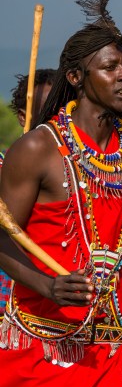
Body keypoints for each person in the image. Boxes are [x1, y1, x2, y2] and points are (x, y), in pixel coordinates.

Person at [0, 0, 122, 387]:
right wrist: (46, 285)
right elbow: (2, 236)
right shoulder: (39, 148)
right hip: (43, 349)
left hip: (112, 351)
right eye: (110, 67)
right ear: (78, 78)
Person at [0, 68, 56, 318]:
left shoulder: (78, 178)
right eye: (46, 112)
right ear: (24, 117)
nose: (55, 120)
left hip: (49, 309)